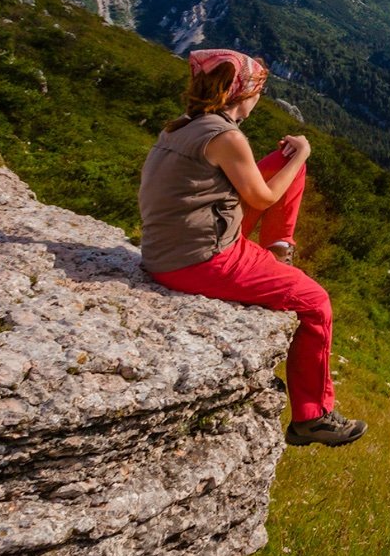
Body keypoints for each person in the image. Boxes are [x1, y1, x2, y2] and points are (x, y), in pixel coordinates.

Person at [138, 47, 365, 448]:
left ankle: (277, 251)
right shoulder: (226, 136)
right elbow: (262, 199)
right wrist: (304, 155)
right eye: (258, 89)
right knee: (315, 302)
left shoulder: (182, 126)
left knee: (283, 160)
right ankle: (313, 417)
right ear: (242, 93)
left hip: (173, 246)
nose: (260, 98)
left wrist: (289, 160)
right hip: (201, 258)